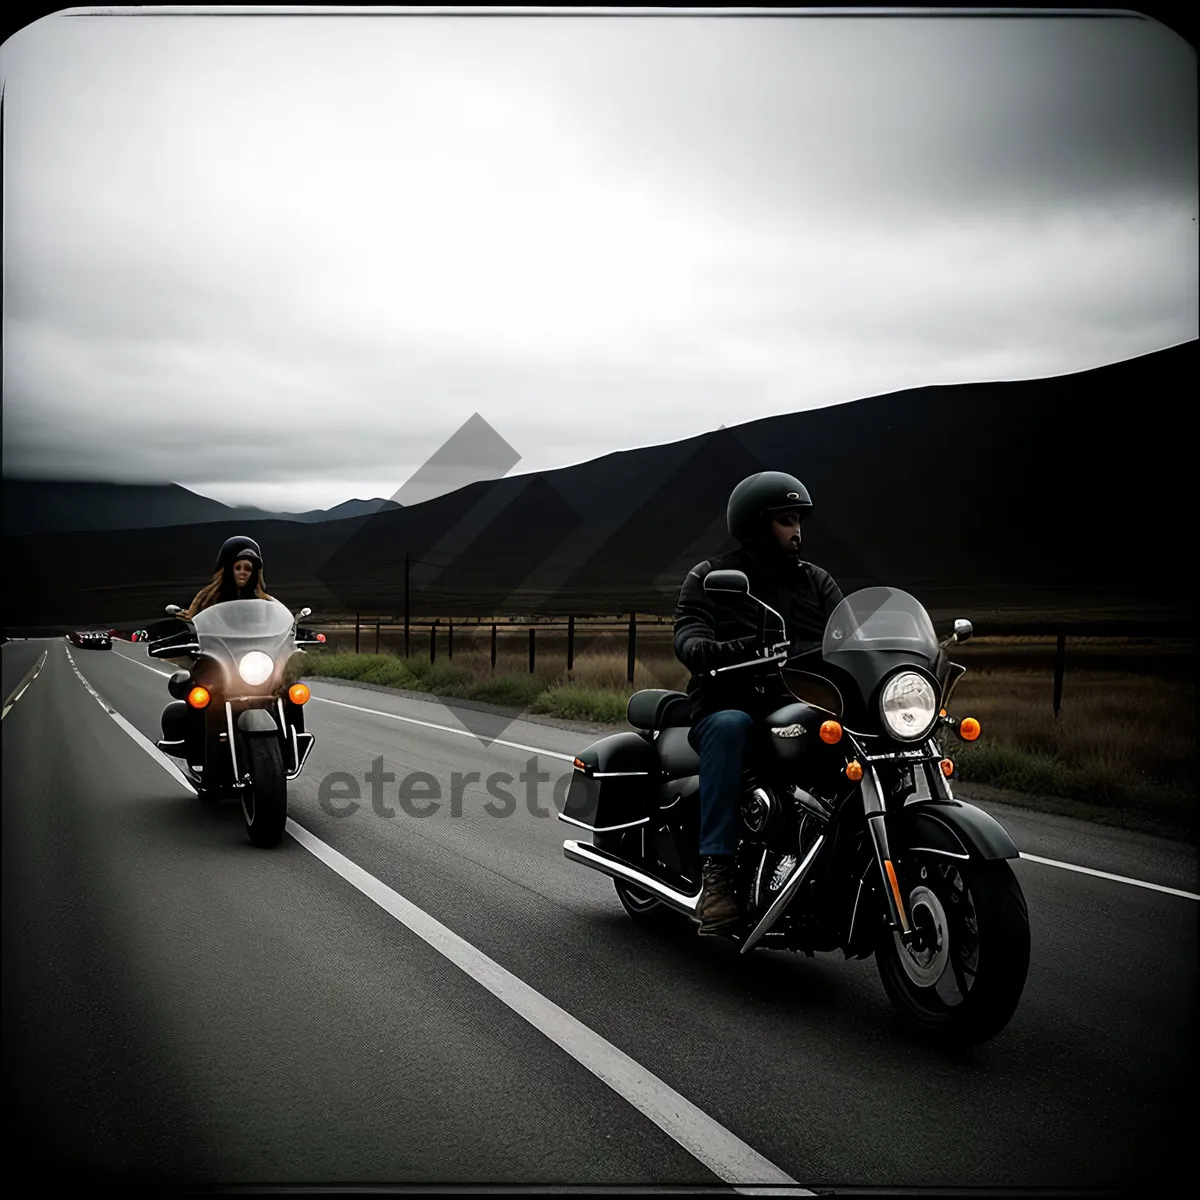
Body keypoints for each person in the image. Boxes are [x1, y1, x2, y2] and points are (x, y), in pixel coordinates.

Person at [673, 472, 843, 936]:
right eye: (786, 521)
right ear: (755, 524)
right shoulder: (711, 578)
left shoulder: (817, 581)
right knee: (730, 726)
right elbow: (690, 639)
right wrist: (740, 649)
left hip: (798, 701)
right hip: (728, 701)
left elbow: (850, 633)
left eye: (798, 521)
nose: (797, 531)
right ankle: (718, 878)